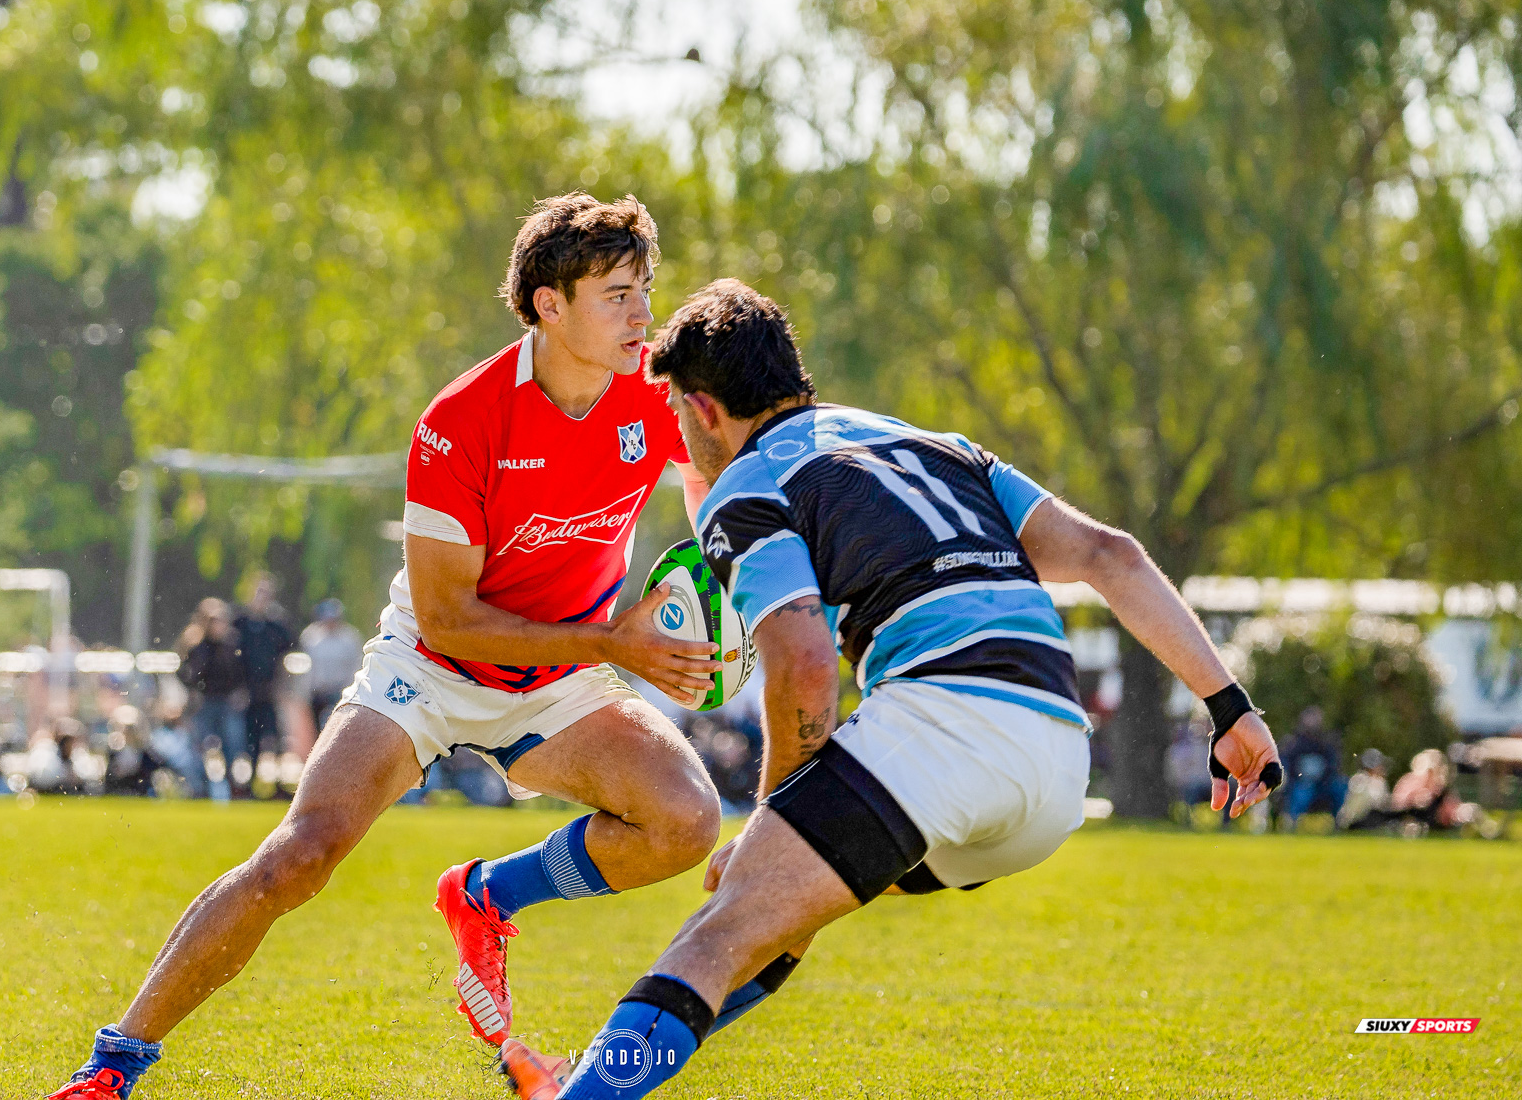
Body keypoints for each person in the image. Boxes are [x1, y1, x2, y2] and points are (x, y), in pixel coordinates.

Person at [497, 279, 1284, 1098]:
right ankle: (593, 1078)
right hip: (1053, 777)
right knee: (777, 923)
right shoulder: (943, 448)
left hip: (944, 734)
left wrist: (771, 814)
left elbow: (803, 666)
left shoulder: (747, 484)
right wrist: (1228, 706)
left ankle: (584, 1093)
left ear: (699, 410)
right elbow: (1110, 554)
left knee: (723, 931)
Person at [38, 193, 734, 1100]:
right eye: (617, 294)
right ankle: (112, 1065)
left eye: (645, 289)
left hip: (562, 670)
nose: (643, 314)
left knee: (686, 820)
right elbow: (449, 621)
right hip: (433, 668)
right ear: (548, 306)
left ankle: (490, 894)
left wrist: (717, 581)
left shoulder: (654, 393)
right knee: (301, 856)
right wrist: (616, 641)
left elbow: (712, 486)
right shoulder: (462, 420)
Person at [175, 599, 249, 799]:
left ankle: (235, 788)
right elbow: (184, 672)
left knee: (233, 745)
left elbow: (241, 673)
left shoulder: (232, 644)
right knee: (198, 747)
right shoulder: (195, 646)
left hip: (226, 703)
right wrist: (193, 691)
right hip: (203, 703)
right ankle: (200, 789)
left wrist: (239, 692)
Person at [233, 574, 296, 783]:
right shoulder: (239, 623)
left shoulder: (277, 626)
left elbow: (285, 657)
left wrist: (282, 687)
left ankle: (277, 783)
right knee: (248, 737)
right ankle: (248, 781)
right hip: (246, 691)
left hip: (269, 689)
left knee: (274, 737)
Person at [299, 598, 363, 740]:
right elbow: (308, 666)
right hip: (318, 691)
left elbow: (356, 664)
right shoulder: (311, 637)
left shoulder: (350, 638)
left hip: (341, 690)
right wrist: (305, 691)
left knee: (339, 730)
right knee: (318, 732)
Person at [1278, 705, 1348, 829]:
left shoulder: (1326, 743)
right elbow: (1287, 766)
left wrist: (1324, 779)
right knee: (1301, 793)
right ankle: (1291, 824)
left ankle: (1341, 823)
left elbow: (1333, 766)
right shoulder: (1293, 744)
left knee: (1340, 787)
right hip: (1300, 783)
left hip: (1323, 784)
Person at [1338, 748, 1392, 830]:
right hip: (1358, 820)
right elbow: (1375, 802)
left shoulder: (1378, 781)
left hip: (1368, 817)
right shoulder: (1360, 779)